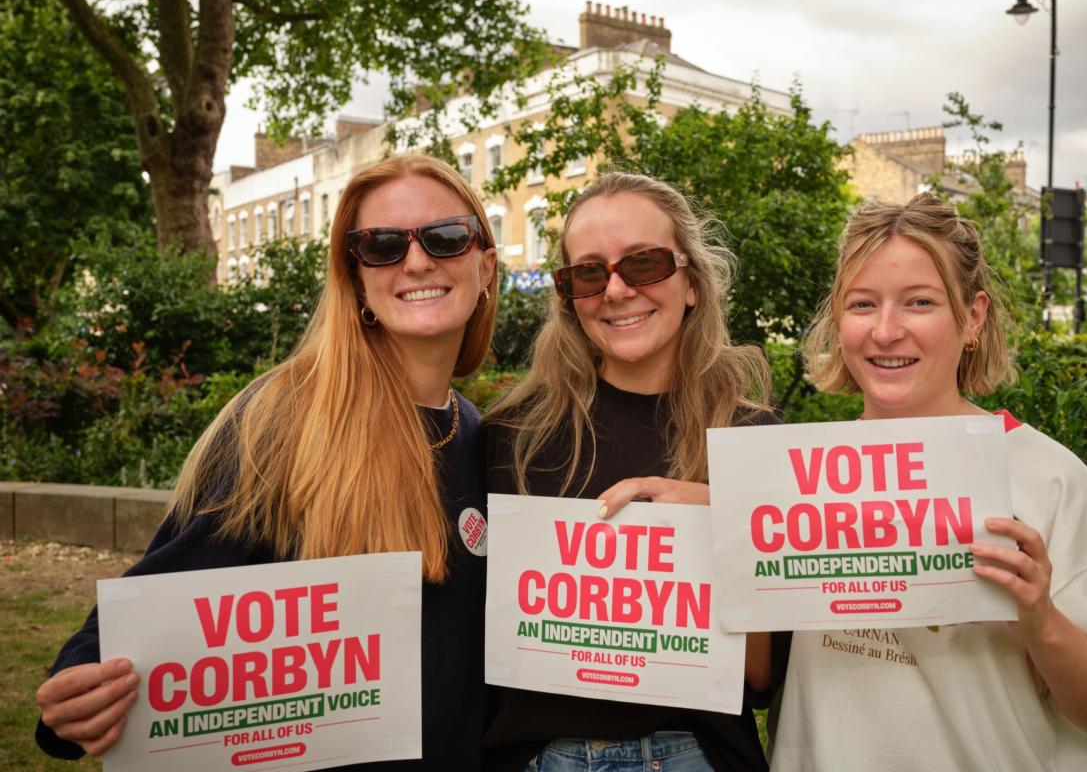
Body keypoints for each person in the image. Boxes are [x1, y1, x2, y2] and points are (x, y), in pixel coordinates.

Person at [33, 155, 499, 770]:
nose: (416, 262)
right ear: (355, 278)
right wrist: (83, 679)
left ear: (485, 264)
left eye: (445, 237)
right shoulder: (281, 420)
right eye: (381, 246)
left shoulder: (481, 434)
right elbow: (172, 585)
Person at [766, 193, 1087, 770]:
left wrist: (1040, 621)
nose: (885, 331)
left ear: (973, 317)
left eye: (920, 302)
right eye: (861, 304)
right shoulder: (796, 480)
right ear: (837, 317)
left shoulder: (1050, 478)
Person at [481, 172, 775, 772]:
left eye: (644, 265)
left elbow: (763, 679)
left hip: (696, 753)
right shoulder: (511, 438)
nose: (615, 290)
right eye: (588, 273)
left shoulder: (753, 443)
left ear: (691, 282)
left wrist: (728, 528)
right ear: (568, 296)